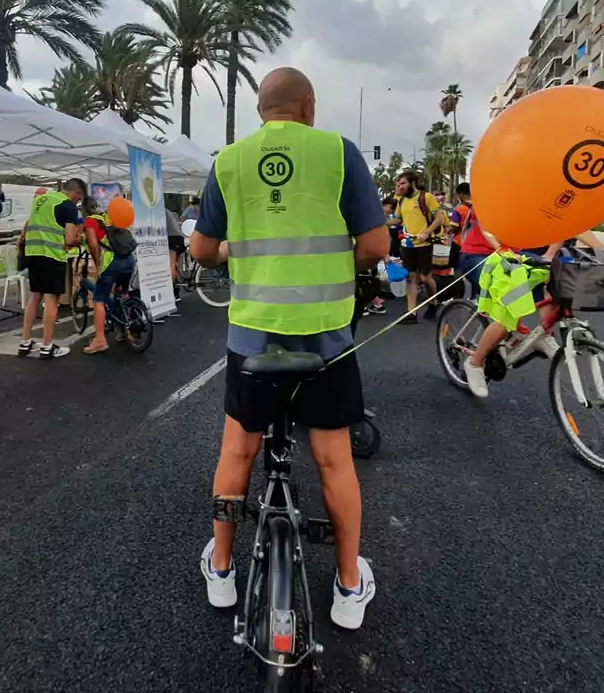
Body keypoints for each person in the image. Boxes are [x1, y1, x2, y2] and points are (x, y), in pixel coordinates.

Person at [190, 66, 387, 630]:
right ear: (307, 104)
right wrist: (333, 265)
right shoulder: (339, 152)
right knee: (333, 459)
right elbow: (375, 244)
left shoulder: (228, 161)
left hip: (253, 337)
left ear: (260, 109)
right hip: (327, 338)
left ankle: (223, 570)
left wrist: (236, 256)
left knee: (237, 454)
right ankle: (349, 586)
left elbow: (202, 248)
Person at [463, 230, 604, 399]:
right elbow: (487, 225)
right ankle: (475, 363)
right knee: (511, 310)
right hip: (482, 255)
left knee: (558, 286)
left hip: (519, 253)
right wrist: (501, 248)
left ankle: (543, 335)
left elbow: (573, 225)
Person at [16, 179, 85, 359]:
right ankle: (47, 346)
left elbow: (28, 226)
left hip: (33, 253)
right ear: (76, 193)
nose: (77, 202)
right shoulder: (68, 206)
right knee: (52, 299)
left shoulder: (41, 199)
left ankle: (25, 342)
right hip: (52, 255)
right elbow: (70, 240)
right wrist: (81, 239)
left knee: (34, 296)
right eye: (78, 199)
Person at [81, 198, 138, 354]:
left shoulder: (90, 222)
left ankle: (100, 340)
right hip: (129, 260)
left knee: (99, 299)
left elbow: (92, 244)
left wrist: (97, 264)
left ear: (83, 210)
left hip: (113, 263)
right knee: (121, 295)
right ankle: (125, 331)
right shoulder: (108, 217)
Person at [391, 171, 446, 323]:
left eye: (403, 183)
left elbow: (439, 217)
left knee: (425, 277)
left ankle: (434, 302)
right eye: (398, 184)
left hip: (424, 244)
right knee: (410, 278)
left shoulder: (426, 197)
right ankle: (411, 313)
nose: (400, 186)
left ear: (412, 183)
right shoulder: (401, 201)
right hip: (408, 245)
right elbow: (397, 219)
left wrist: (427, 233)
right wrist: (381, 223)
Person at [166, 207, 186, 304]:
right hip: (179, 237)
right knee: (177, 265)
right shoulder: (169, 211)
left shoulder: (160, 211)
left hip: (172, 238)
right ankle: (177, 292)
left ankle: (171, 293)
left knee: (172, 265)